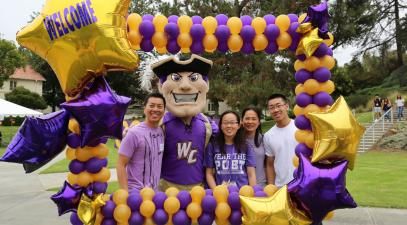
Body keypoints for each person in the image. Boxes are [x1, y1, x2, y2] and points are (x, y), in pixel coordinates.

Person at [150, 54, 218, 191]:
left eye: (193, 78)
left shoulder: (208, 124)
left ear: (207, 84)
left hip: (198, 188)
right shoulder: (160, 124)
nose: (185, 86)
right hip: (168, 188)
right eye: (175, 78)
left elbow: (228, 140)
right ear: (161, 86)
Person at [116, 93, 166, 192]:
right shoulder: (134, 133)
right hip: (136, 194)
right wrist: (125, 193)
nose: (155, 109)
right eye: (151, 106)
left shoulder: (161, 132)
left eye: (159, 106)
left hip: (154, 194)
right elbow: (120, 164)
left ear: (164, 110)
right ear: (145, 108)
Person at [205, 110, 256, 189]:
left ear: (238, 125)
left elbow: (251, 174)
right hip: (221, 194)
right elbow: (209, 173)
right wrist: (216, 191)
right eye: (225, 123)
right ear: (221, 125)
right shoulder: (212, 146)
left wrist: (253, 194)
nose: (229, 126)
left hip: (243, 193)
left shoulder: (246, 146)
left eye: (232, 122)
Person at [264, 93, 297, 188]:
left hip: (303, 183)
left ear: (286, 106)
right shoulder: (268, 135)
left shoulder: (300, 128)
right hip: (281, 187)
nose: (275, 110)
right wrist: (271, 187)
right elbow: (270, 164)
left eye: (278, 106)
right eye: (271, 107)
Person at [241, 106, 267, 186]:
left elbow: (268, 164)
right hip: (240, 186)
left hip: (260, 185)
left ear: (259, 122)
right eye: (247, 118)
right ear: (242, 121)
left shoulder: (264, 139)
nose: (250, 122)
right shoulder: (234, 140)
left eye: (254, 119)